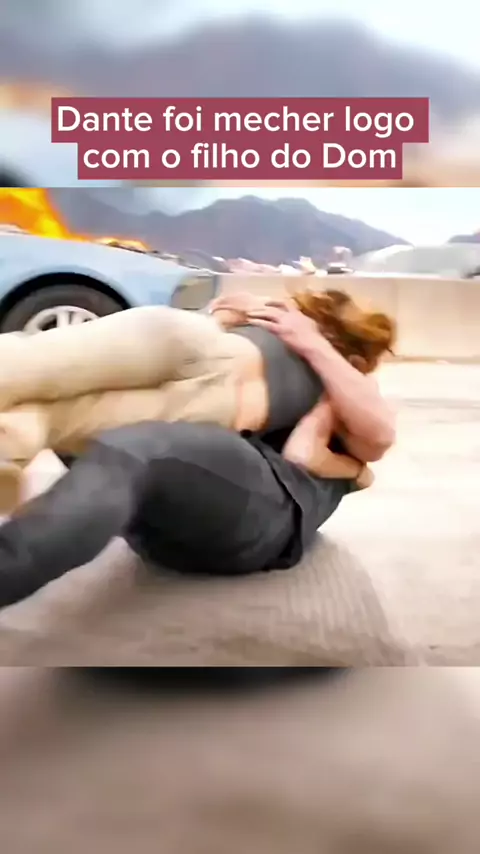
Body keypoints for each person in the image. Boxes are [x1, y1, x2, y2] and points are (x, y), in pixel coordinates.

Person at [0, 304, 396, 608]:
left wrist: (312, 343)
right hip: (186, 500)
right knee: (59, 412)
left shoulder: (344, 395)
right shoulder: (298, 391)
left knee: (135, 451)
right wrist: (227, 316)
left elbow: (370, 437)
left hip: (263, 512)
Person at [0, 287, 396, 511]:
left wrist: (299, 337)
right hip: (209, 385)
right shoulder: (308, 347)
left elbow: (370, 438)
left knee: (47, 393)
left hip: (200, 375)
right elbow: (307, 455)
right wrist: (355, 472)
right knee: (47, 392)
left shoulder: (326, 372)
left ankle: (6, 451)